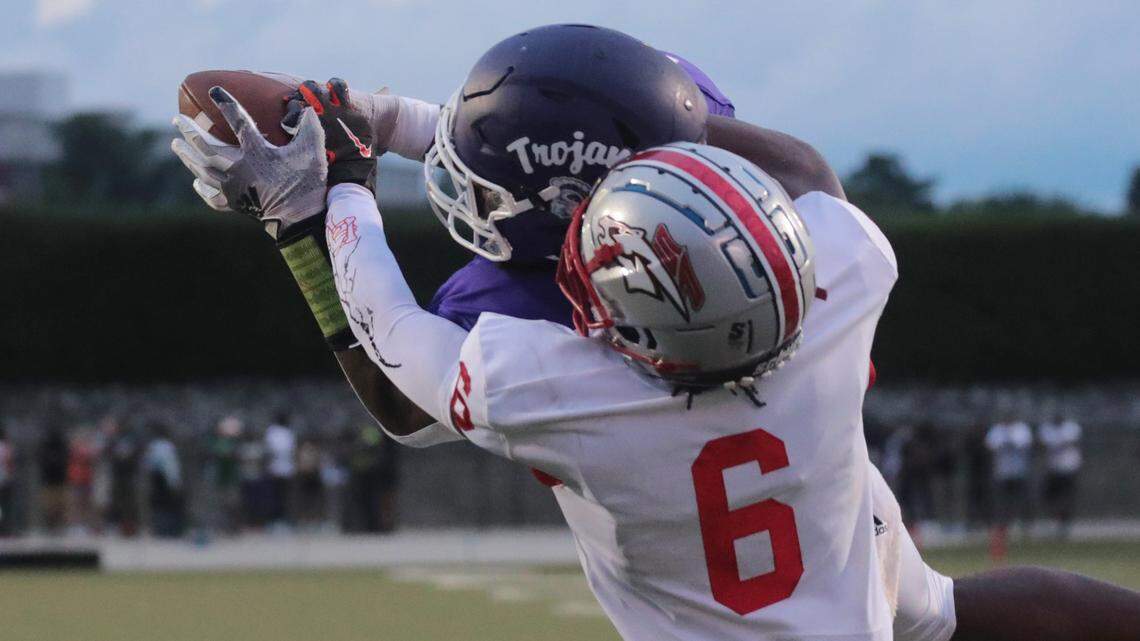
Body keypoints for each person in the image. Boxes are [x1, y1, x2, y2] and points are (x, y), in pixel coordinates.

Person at [172, 22, 1140, 641]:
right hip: (842, 560)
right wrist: (628, 125)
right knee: (945, 613)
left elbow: (392, 355)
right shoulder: (845, 271)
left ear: (612, 299)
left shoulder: (541, 378)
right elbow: (802, 168)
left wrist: (320, 195)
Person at [985, 413, 1034, 534]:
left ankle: (1024, 524)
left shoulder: (1021, 429)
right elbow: (989, 445)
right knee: (1002, 501)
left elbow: (1025, 444)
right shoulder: (996, 430)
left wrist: (1010, 442)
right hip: (1002, 471)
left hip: (1019, 471)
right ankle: (1002, 524)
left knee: (1021, 499)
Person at [1037, 412, 1082, 538]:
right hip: (1053, 468)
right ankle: (1054, 520)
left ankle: (1064, 524)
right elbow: (1043, 443)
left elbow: (1072, 441)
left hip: (1068, 467)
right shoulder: (1047, 429)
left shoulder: (1071, 428)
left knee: (1067, 497)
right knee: (1050, 497)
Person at [143, 421, 183, 538]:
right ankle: (168, 530)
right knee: (168, 505)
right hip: (164, 480)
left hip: (156, 479)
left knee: (158, 505)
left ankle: (160, 529)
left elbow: (148, 464)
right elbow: (171, 467)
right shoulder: (167, 446)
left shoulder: (153, 446)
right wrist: (175, 482)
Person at [263, 413, 296, 529]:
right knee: (274, 497)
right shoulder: (272, 432)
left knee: (284, 497)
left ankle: (284, 520)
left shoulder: (288, 432)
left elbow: (291, 451)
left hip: (285, 469)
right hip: (275, 469)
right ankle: (274, 521)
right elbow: (269, 451)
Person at [38, 426, 69, 534]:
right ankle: (51, 525)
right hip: (50, 481)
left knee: (58, 506)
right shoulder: (46, 447)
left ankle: (58, 525)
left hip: (58, 481)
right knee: (50, 506)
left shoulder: (61, 447)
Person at [0, 426, 14, 536]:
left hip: (4, 479)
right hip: (4, 480)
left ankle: (4, 527)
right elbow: (9, 464)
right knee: (5, 506)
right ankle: (5, 528)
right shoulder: (5, 447)